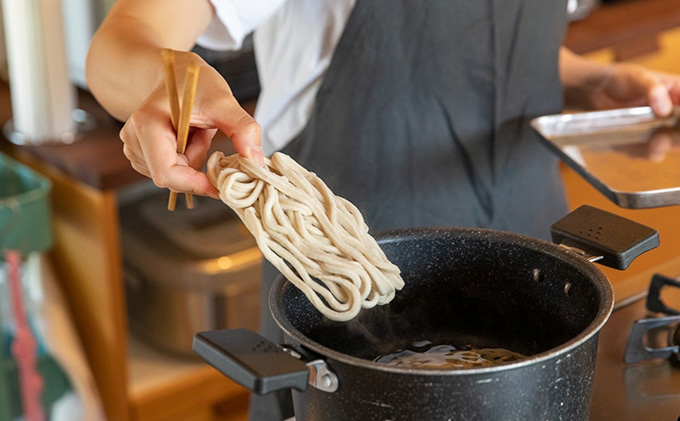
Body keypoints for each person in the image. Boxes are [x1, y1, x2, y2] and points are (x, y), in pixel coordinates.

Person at [86, 1, 680, 419]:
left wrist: (592, 82)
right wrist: (161, 83)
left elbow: (494, 40)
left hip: (530, 225)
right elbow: (126, 35)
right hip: (346, 264)